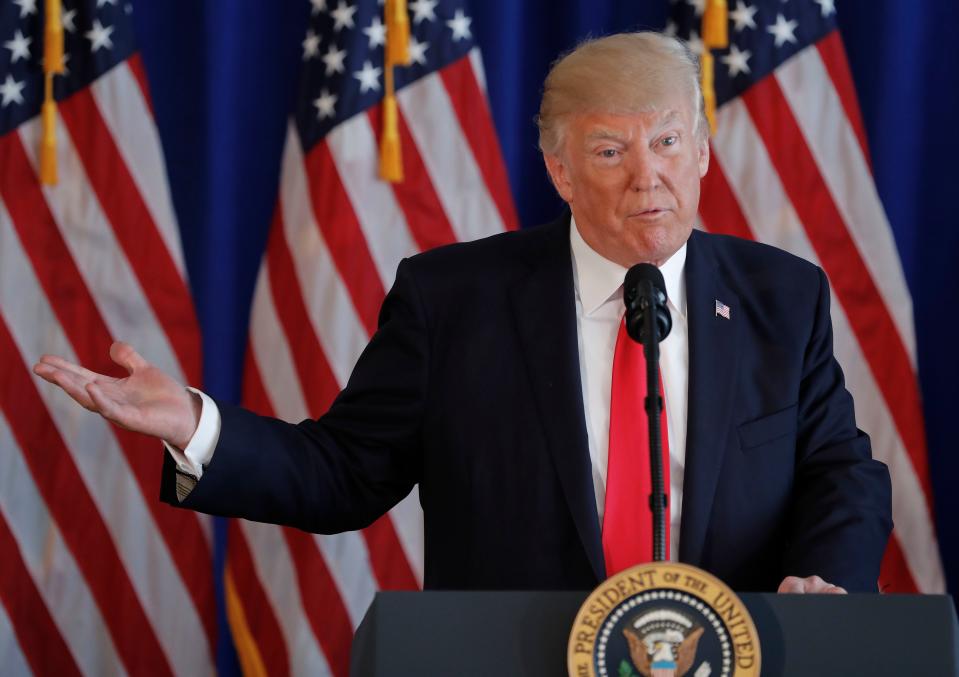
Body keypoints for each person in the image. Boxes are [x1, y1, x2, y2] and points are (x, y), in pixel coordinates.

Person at [34, 32, 891, 594]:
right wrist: (196, 423)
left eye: (667, 141)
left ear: (701, 149)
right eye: (608, 150)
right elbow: (342, 472)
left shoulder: (782, 295)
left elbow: (838, 471)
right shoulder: (453, 301)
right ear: (559, 171)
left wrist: (823, 578)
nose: (647, 175)